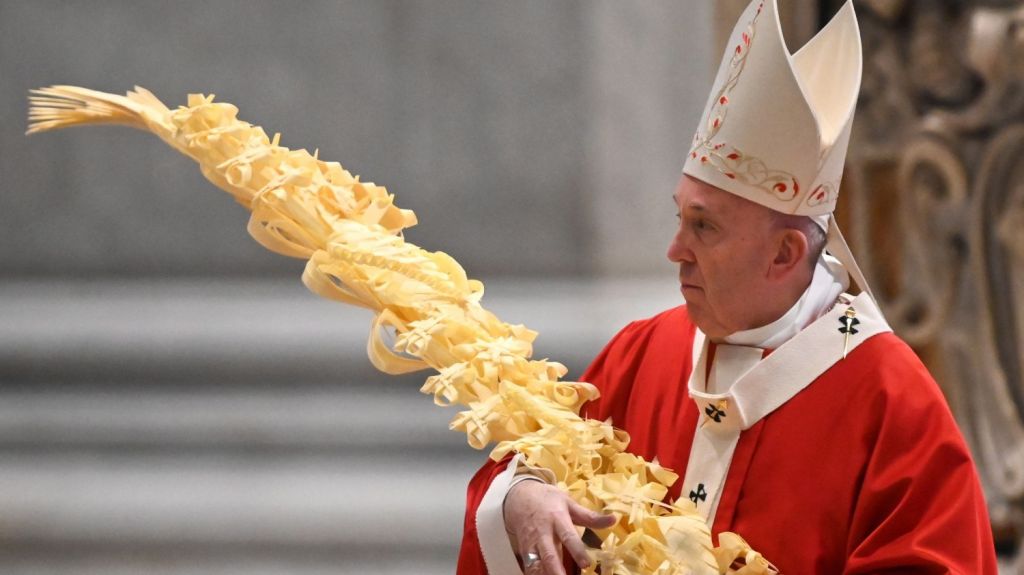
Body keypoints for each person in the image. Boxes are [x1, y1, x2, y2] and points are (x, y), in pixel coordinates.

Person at [456, 1, 998, 573]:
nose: (675, 251)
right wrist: (519, 498)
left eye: (704, 227)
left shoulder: (891, 403)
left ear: (784, 253)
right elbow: (527, 466)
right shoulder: (644, 353)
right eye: (679, 218)